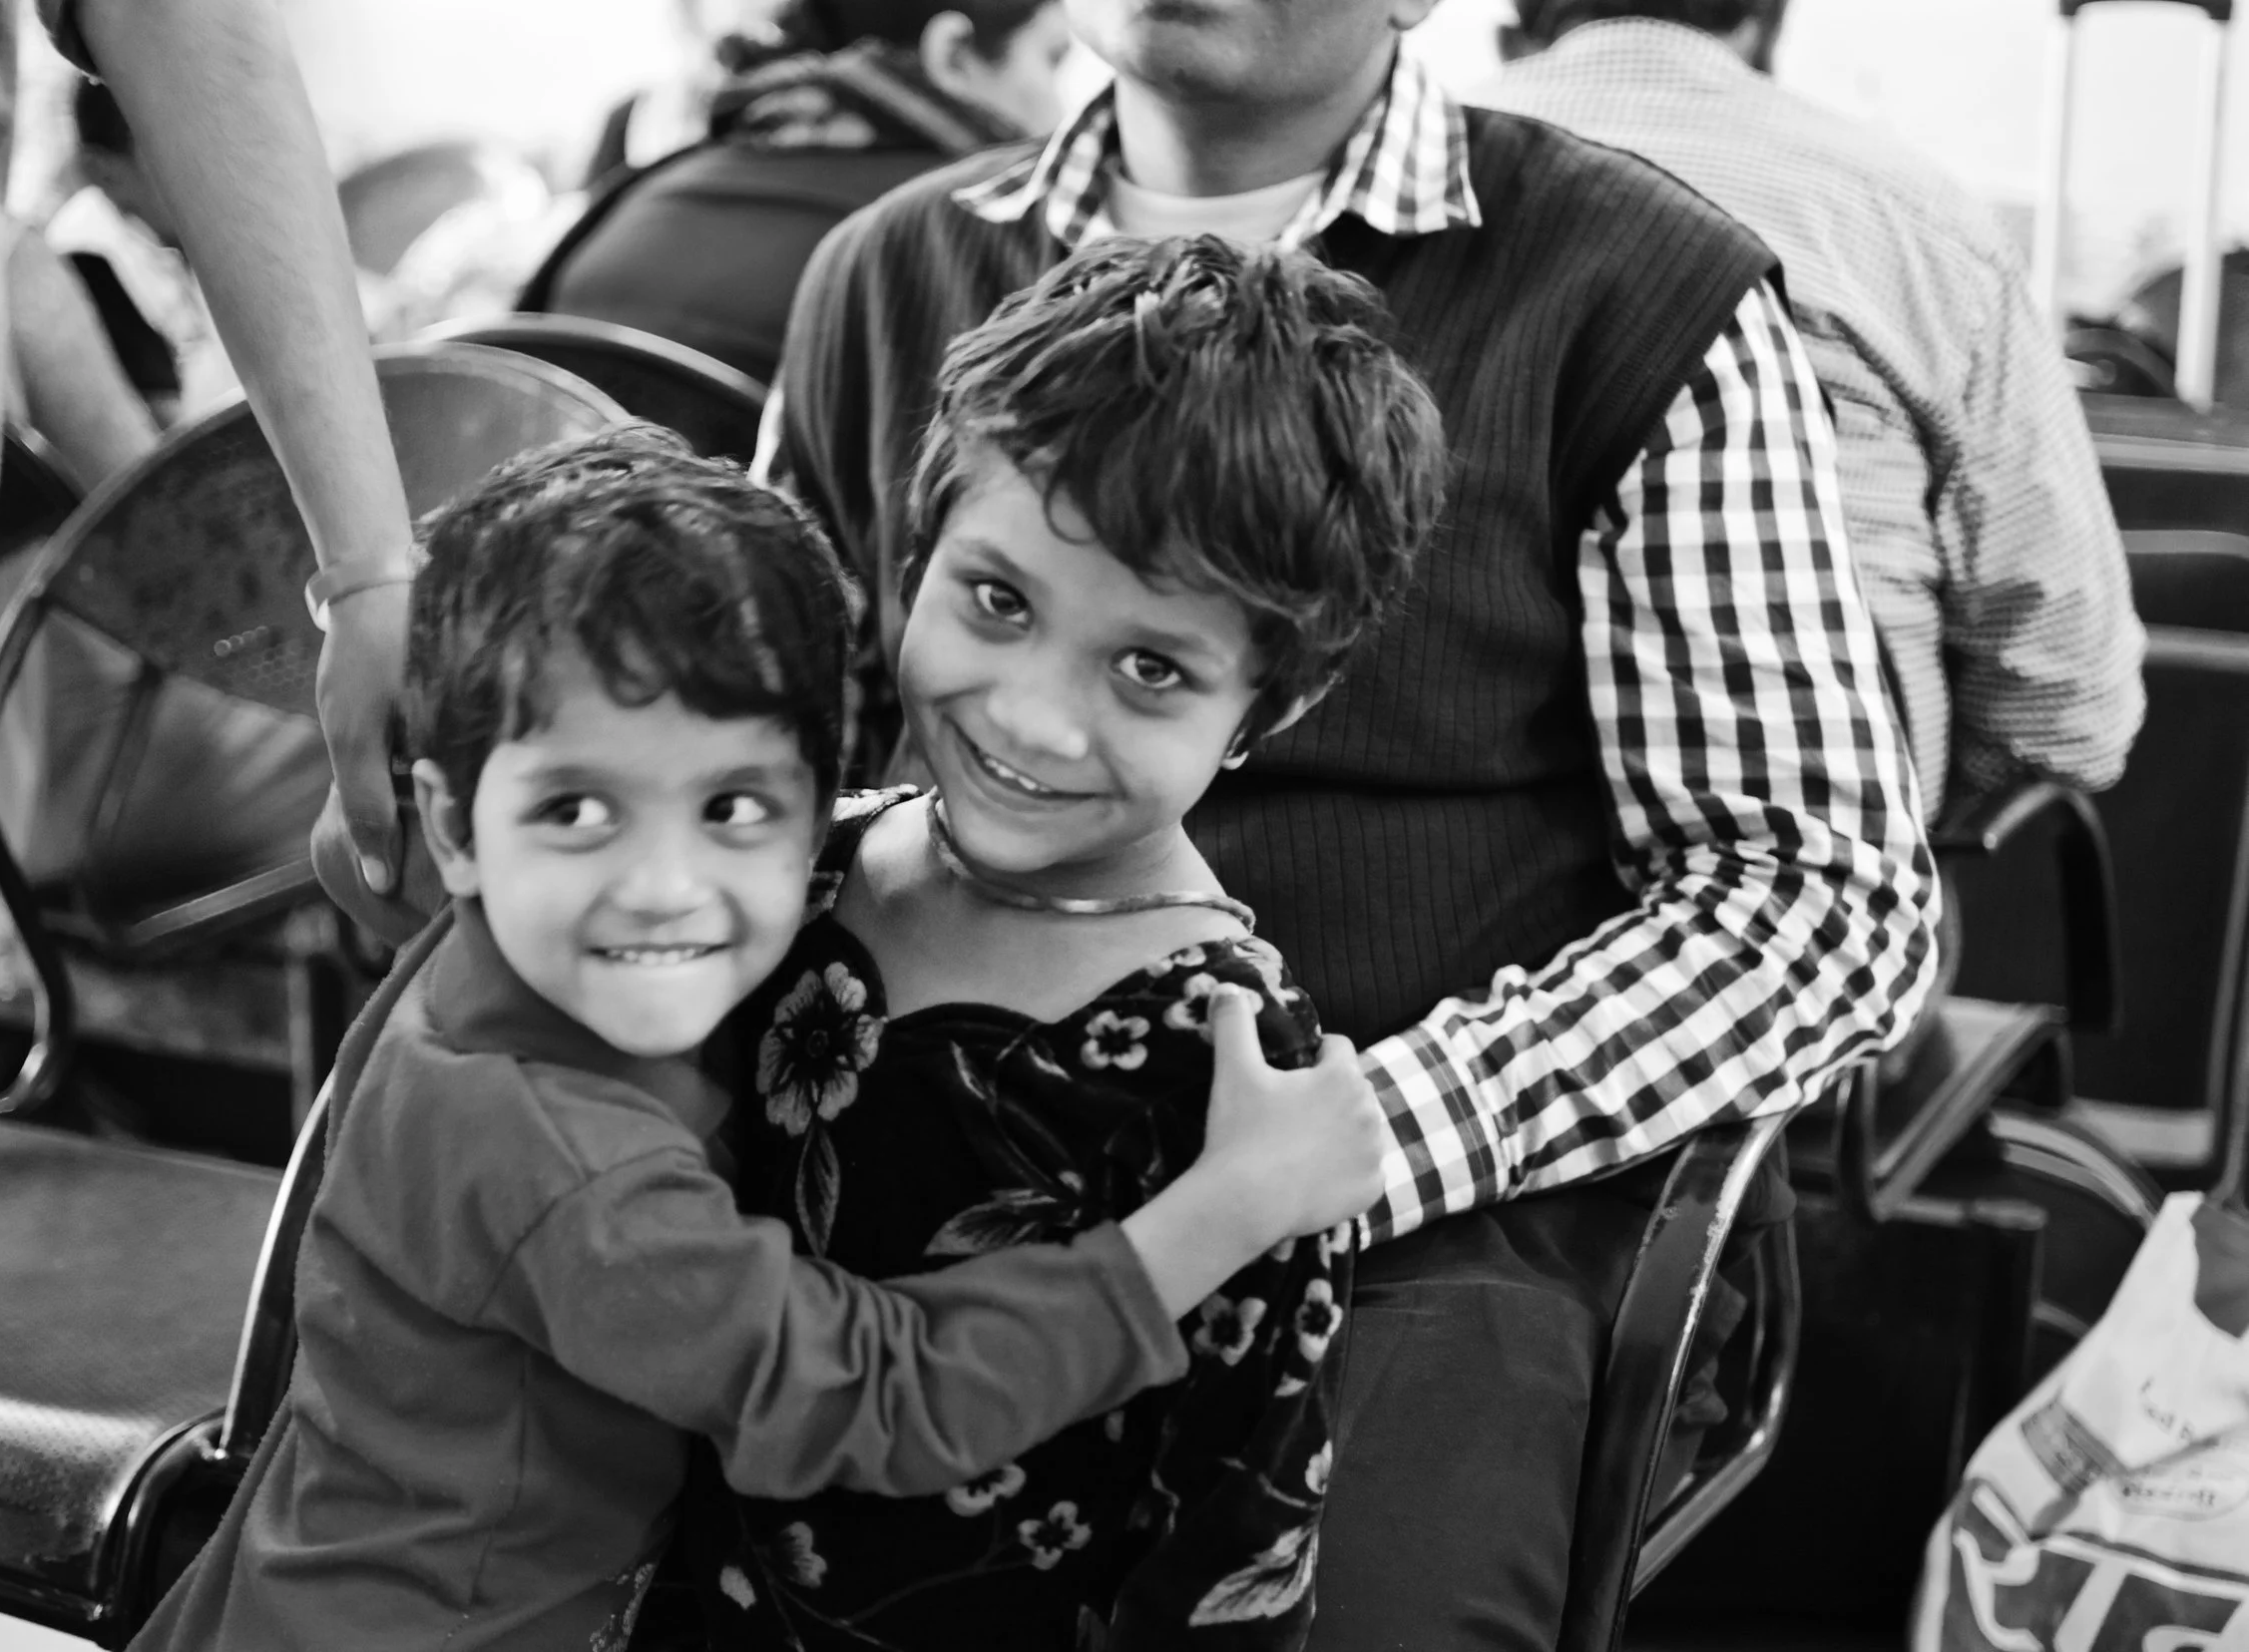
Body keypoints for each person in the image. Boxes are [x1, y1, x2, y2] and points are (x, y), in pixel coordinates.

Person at [746, 0, 1942, 1643]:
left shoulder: (1637, 292)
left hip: (1442, 1227)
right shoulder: (883, 276)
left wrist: (1361, 1139)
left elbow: (1820, 897)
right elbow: (765, 762)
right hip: (907, 1116)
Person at [130, 426, 1388, 1652]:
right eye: (578, 809)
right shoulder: (565, 1168)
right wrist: (1222, 1209)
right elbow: (877, 1397)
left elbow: (361, 863)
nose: (664, 888)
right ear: (459, 827)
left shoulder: (499, 941)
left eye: (732, 807)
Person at [675, 233, 1443, 1650]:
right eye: (998, 600)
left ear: (1266, 710)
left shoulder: (1230, 1076)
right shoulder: (798, 865)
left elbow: (1233, 1540)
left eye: (1150, 668)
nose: (1032, 718)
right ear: (918, 548)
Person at [0, 0, 414, 1647]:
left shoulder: (82, 268)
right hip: (77, 770)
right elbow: (171, 548)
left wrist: (367, 571)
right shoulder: (87, 277)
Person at [1477, 0, 2145, 818]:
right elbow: (2065, 691)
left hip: (1427, 869)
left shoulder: (1395, 194)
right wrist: (1915, 824)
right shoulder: (1914, 216)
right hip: (1830, 852)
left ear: (1519, 22)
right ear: (1770, 24)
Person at [521, 0, 1073, 383]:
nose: (1062, 109)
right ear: (952, 54)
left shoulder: (647, 187)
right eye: (1052, 60)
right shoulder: (984, 241)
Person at [45, 78, 238, 425]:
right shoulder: (88, 258)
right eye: (182, 150)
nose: (212, 168)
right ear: (104, 173)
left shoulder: (178, 233)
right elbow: (167, 429)